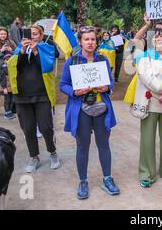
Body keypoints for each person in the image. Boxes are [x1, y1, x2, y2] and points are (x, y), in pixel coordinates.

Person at [60, 26, 120, 199]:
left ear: (96, 41)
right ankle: (83, 181)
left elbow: (110, 83)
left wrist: (106, 87)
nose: (90, 42)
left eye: (93, 39)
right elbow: (63, 84)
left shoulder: (103, 60)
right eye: (86, 39)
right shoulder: (71, 61)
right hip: (81, 110)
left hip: (101, 109)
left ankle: (107, 179)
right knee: (82, 146)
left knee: (104, 145)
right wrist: (75, 92)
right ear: (80, 41)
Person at [135, 29, 162, 188]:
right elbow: (146, 77)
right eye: (156, 36)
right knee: (147, 139)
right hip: (151, 102)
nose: (159, 38)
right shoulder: (144, 57)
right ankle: (146, 172)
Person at [13, 25, 60, 173]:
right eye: (29, 34)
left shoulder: (47, 49)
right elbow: (14, 68)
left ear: (41, 36)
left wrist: (35, 50)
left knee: (46, 128)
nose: (32, 37)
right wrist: (21, 51)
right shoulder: (18, 49)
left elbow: (46, 67)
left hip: (42, 95)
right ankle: (34, 157)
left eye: (35, 34)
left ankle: (53, 152)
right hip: (22, 96)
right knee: (28, 129)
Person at [0, 54, 16, 119]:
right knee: (7, 100)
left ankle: (10, 112)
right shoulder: (3, 68)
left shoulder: (12, 67)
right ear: (4, 61)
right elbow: (2, 78)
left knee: (12, 100)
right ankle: (7, 113)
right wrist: (4, 88)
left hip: (12, 87)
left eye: (9, 59)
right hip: (6, 87)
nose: (8, 61)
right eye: (7, 59)